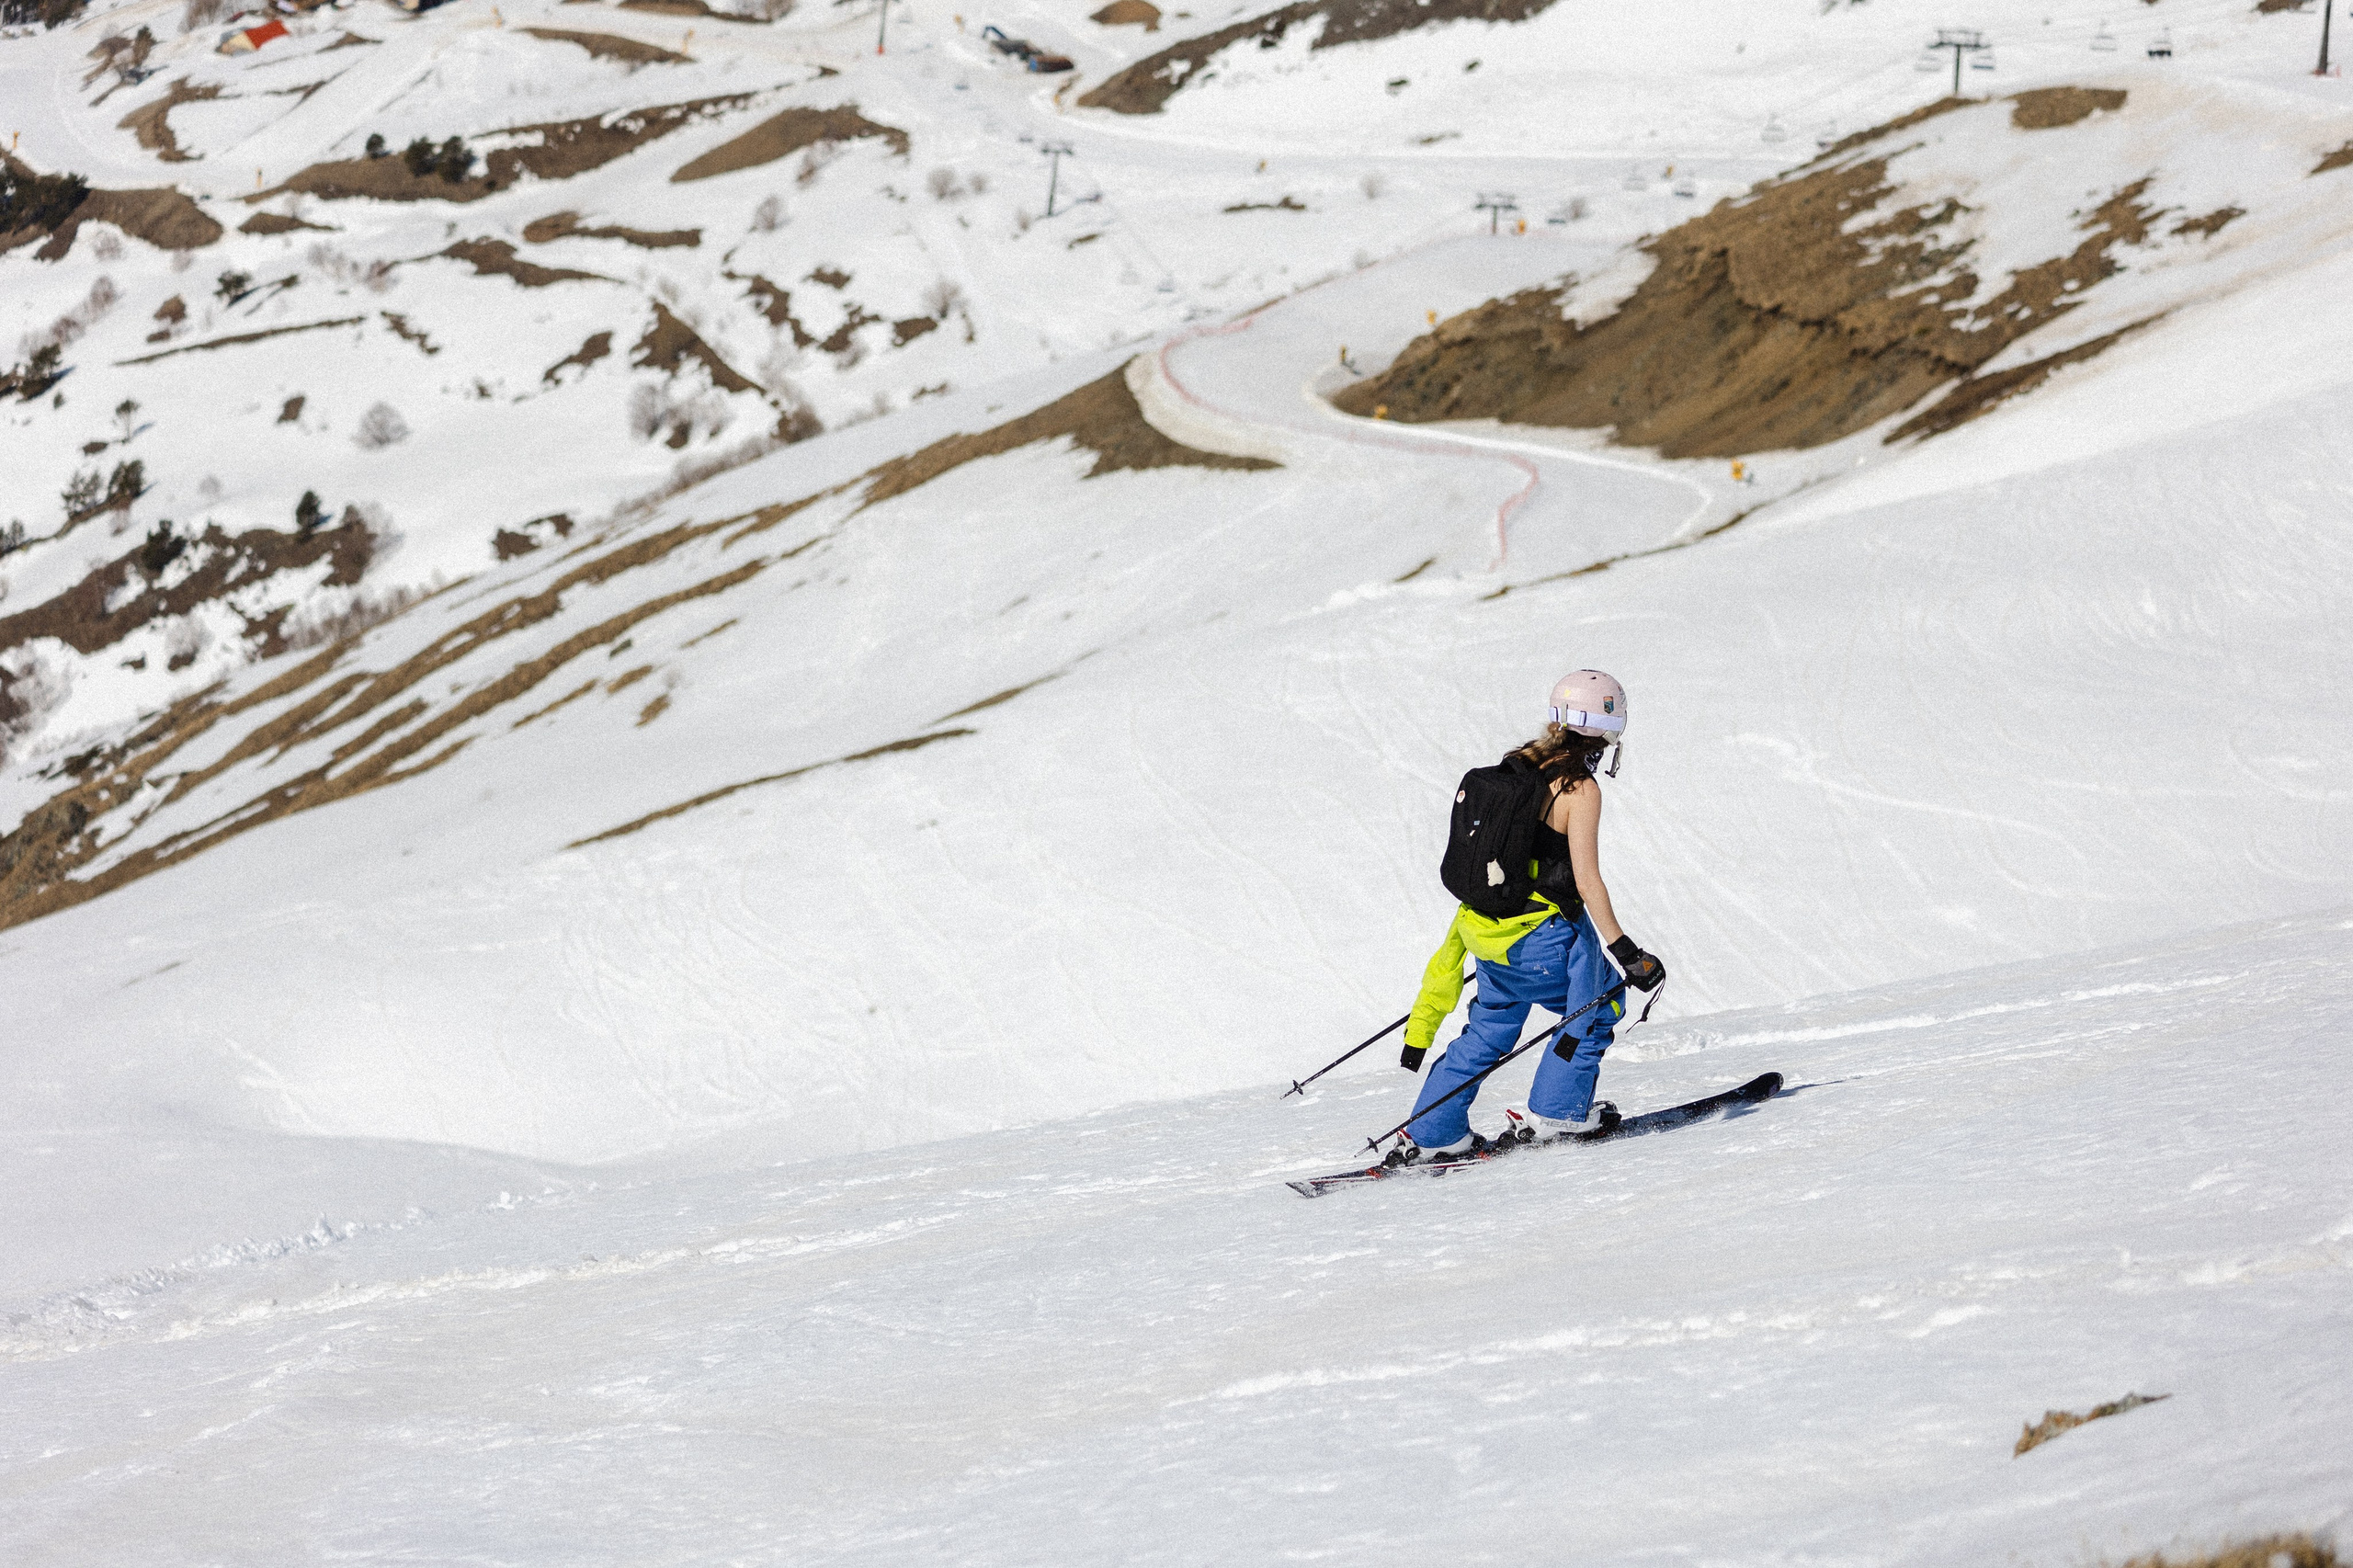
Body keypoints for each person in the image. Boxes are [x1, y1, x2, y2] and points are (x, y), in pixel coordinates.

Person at [1391, 671, 1666, 1165]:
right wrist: (1627, 952)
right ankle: (1557, 1113)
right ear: (1607, 727)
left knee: (1489, 1028)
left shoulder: (1519, 764)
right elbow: (1586, 880)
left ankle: (1434, 1131)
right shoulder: (1578, 788)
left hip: (1489, 933)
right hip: (1544, 940)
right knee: (1596, 1008)